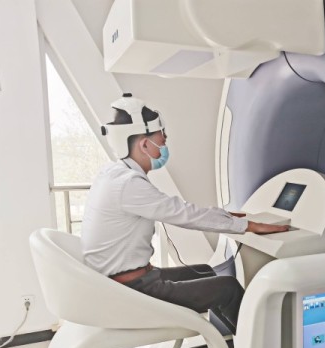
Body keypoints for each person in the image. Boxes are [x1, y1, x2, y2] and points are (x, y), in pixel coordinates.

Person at [81, 94, 288, 334]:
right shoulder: (129, 184)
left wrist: (226, 216)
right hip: (133, 290)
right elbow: (184, 214)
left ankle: (229, 340)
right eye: (161, 134)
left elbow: (179, 209)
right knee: (228, 288)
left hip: (125, 281)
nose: (165, 139)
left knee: (208, 271)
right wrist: (248, 225)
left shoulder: (113, 174)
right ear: (145, 145)